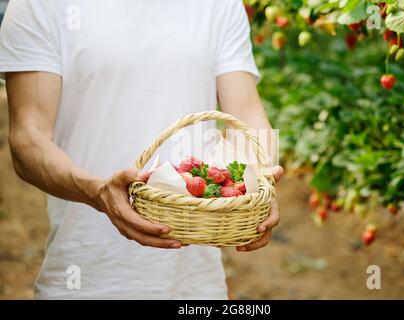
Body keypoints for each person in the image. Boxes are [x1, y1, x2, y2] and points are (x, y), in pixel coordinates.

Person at [0, 0, 283, 299]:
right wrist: (96, 192)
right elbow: (27, 138)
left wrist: (260, 182)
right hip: (85, 283)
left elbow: (246, 115)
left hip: (194, 288)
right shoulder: (41, 4)